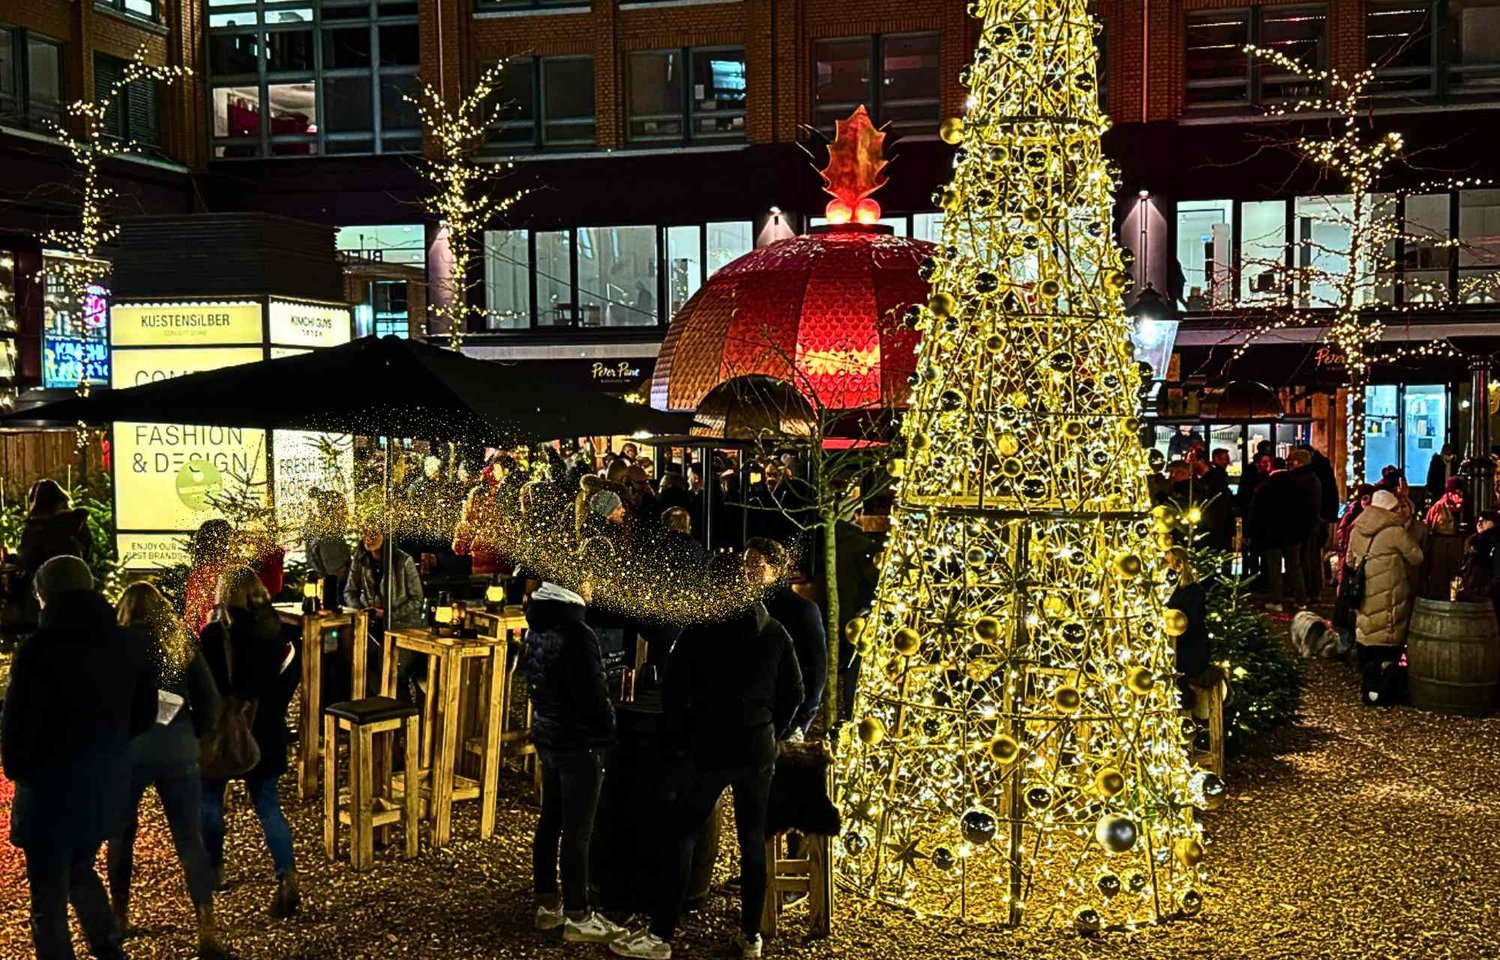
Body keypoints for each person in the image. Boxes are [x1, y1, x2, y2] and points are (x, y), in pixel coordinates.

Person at [611, 557, 804, 960]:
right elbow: (795, 692)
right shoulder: (774, 632)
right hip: (756, 747)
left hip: (707, 747)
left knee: (682, 835)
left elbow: (674, 689)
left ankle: (661, 934)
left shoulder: (701, 630)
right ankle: (750, 935)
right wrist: (772, 728)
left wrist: (679, 735)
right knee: (752, 839)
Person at [2, 557, 156, 960]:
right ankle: (108, 949)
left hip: (48, 791)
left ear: (45, 596)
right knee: (80, 870)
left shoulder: (37, 651)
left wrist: (19, 767)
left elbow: (17, 725)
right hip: (102, 783)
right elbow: (144, 714)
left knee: (48, 899)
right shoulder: (126, 645)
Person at [107, 583, 233, 959]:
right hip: (177, 745)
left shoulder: (113, 645)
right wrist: (196, 735)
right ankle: (206, 924)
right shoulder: (179, 641)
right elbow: (210, 700)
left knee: (120, 836)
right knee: (189, 838)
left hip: (127, 750)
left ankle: (119, 917)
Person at [523, 581, 623, 943]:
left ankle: (547, 903)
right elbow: (594, 695)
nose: (594, 584)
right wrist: (608, 732)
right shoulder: (578, 632)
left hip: (549, 734)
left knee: (550, 819)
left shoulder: (537, 621)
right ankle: (579, 916)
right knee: (579, 831)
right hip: (580, 743)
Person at [199, 567, 302, 918]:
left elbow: (205, 688)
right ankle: (286, 873)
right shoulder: (279, 634)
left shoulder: (215, 635)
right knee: (269, 805)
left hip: (226, 733)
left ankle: (214, 867)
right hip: (268, 731)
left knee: (210, 799)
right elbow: (288, 683)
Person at [745, 538, 827, 738]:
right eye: (745, 564)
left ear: (775, 569)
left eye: (756, 564)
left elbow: (817, 670)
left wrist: (800, 723)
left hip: (785, 716)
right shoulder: (745, 608)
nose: (747, 571)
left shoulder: (802, 610)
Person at [345, 527, 425, 698]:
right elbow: (350, 591)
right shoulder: (361, 559)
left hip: (402, 626)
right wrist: (361, 611)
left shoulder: (403, 561)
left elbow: (417, 599)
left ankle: (399, 703)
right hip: (372, 624)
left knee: (393, 670)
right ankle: (375, 701)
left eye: (374, 533)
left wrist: (388, 614)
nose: (368, 537)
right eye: (365, 533)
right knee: (360, 660)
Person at [1346, 490, 1425, 661]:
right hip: (1389, 598)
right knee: (1386, 647)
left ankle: (1368, 672)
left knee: (1367, 630)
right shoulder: (1395, 532)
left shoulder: (1357, 529)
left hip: (1364, 593)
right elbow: (1417, 557)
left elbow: (1349, 562)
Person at [1247, 449, 1322, 612]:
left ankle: (1277, 601)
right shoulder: (1298, 483)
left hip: (1271, 533)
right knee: (1294, 566)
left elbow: (1257, 511)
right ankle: (1301, 600)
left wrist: (1253, 532)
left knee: (1274, 568)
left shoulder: (1266, 485)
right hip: (1293, 532)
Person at [17, 479, 93, 584]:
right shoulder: (75, 523)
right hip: (76, 578)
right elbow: (88, 552)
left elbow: (28, 559)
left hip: (45, 582)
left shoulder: (35, 527)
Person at [1164, 547, 1210, 711]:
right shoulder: (1163, 589)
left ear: (1179, 565)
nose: (1163, 566)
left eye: (1166, 562)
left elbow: (1193, 622)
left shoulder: (1193, 591)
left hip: (1189, 648)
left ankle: (1184, 704)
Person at [305, 490, 353, 587]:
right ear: (331, 511)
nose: (346, 512)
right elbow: (338, 575)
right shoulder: (330, 538)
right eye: (342, 507)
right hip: (335, 591)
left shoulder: (322, 534)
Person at [1460, 511, 1500, 606]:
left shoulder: (1496, 543)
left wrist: (1482, 591)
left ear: (1494, 523)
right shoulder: (1474, 542)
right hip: (1472, 596)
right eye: (1478, 521)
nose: (1479, 524)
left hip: (1489, 599)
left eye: (1484, 521)